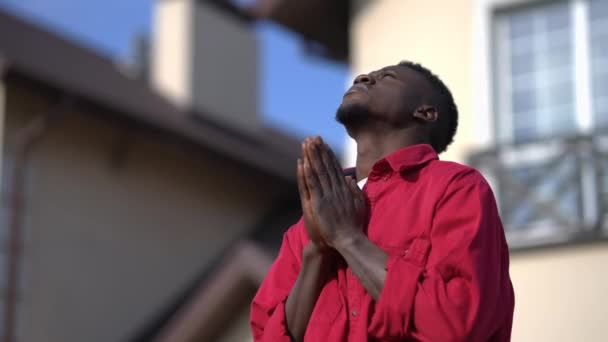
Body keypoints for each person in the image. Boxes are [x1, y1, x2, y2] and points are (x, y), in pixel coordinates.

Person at [250, 61, 514, 342]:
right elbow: (267, 334)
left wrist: (348, 238)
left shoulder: (455, 188)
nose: (364, 77)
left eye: (387, 77)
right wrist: (317, 251)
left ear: (424, 112)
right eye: (365, 75)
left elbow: (457, 325)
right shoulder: (313, 216)